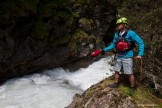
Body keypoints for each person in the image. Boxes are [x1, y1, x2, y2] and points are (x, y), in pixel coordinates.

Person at [102, 17, 144, 93]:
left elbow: (140, 42)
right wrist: (104, 50)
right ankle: (116, 83)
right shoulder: (116, 34)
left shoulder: (131, 33)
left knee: (129, 73)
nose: (117, 26)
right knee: (116, 70)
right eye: (117, 24)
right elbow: (113, 45)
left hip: (128, 56)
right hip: (119, 55)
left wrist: (140, 54)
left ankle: (132, 87)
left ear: (124, 24)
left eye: (119, 24)